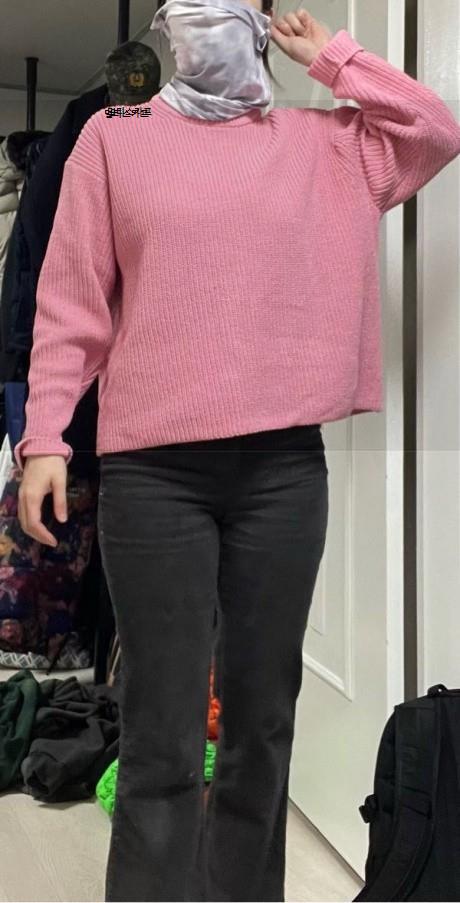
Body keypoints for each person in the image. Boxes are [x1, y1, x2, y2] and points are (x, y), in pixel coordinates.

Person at [15, 0, 460, 900]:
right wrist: (45, 434)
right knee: (162, 731)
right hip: (154, 477)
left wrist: (334, 56)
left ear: (261, 23)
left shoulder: (325, 144)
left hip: (283, 473)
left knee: (261, 723)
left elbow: (435, 128)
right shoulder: (113, 137)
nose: (207, 15)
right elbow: (70, 299)